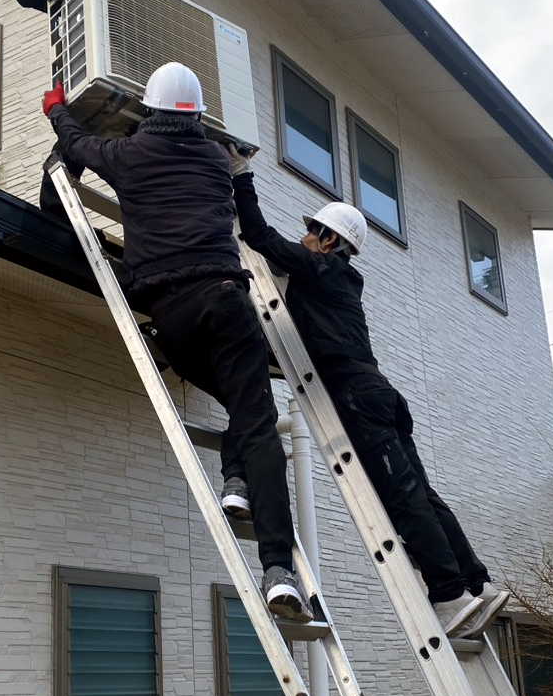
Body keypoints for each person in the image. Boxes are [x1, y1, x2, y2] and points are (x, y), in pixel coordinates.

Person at [41, 63, 313, 623]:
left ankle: (236, 481)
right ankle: (278, 568)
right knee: (255, 417)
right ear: (195, 114)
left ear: (154, 110)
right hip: (227, 299)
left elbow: (76, 143)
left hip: (173, 314)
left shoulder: (129, 157)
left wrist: (56, 107)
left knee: (243, 407)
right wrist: (242, 170)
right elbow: (236, 183)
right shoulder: (216, 161)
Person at [227, 149, 509, 638]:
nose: (304, 237)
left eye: (311, 231)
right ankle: (473, 584)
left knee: (401, 496)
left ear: (330, 240)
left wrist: (242, 176)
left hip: (358, 395)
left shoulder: (324, 269)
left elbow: (259, 238)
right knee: (419, 490)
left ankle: (448, 593)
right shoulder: (340, 280)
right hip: (378, 393)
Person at [16, 0, 138, 221]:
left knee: (133, 178)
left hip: (127, 102)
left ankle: (149, 228)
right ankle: (58, 235)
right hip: (84, 101)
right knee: (58, 171)